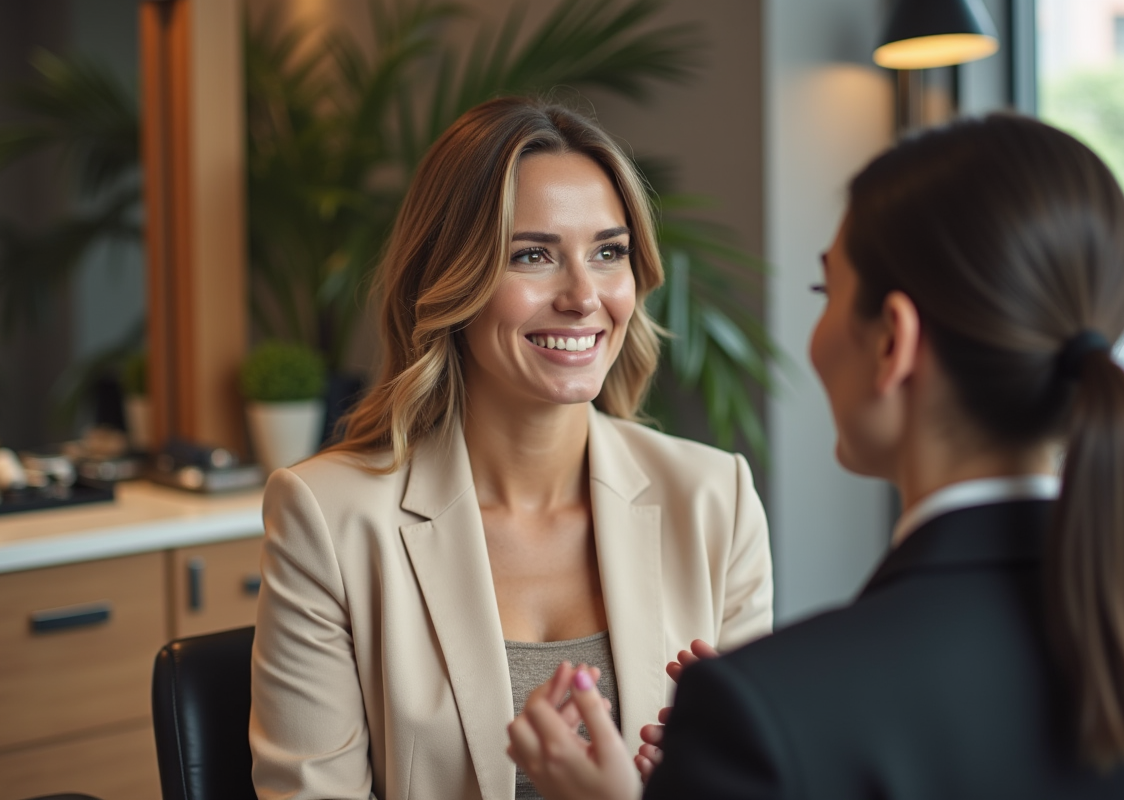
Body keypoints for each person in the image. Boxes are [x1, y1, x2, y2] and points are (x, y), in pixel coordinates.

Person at [507, 113, 1124, 799]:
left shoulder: (770, 711)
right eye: (533, 254)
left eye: (827, 293)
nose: (582, 296)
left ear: (890, 342)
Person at [248, 96, 774, 800]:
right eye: (532, 255)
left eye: (608, 252)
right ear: (450, 278)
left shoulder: (717, 500)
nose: (584, 296)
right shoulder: (328, 516)